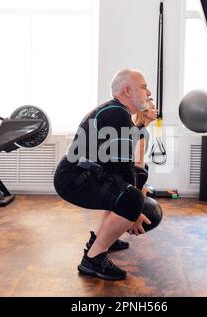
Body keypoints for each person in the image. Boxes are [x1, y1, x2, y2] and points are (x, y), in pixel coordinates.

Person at [54, 69, 154, 280]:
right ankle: (93, 258)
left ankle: (103, 237)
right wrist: (134, 211)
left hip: (81, 175)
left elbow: (128, 156)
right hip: (74, 178)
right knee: (130, 196)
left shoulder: (116, 111)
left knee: (137, 178)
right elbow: (123, 170)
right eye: (144, 87)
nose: (149, 92)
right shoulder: (117, 114)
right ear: (127, 90)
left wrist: (144, 122)